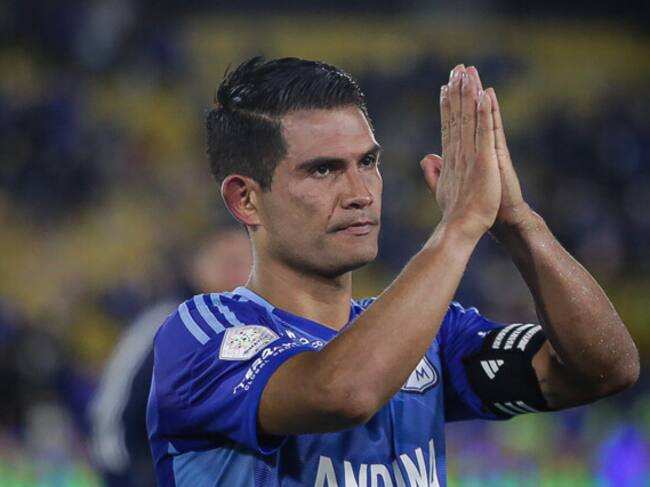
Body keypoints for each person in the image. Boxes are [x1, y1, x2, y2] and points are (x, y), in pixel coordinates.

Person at [146, 57, 639, 487]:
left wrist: (518, 224)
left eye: (368, 162)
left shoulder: (431, 335)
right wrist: (460, 226)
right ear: (246, 199)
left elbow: (605, 369)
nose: (361, 193)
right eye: (323, 169)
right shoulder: (200, 336)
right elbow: (342, 392)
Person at [89, 229, 251, 487]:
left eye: (249, 264)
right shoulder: (166, 323)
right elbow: (114, 412)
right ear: (200, 268)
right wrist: (129, 477)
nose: (240, 275)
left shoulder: (261, 329)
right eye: (229, 263)